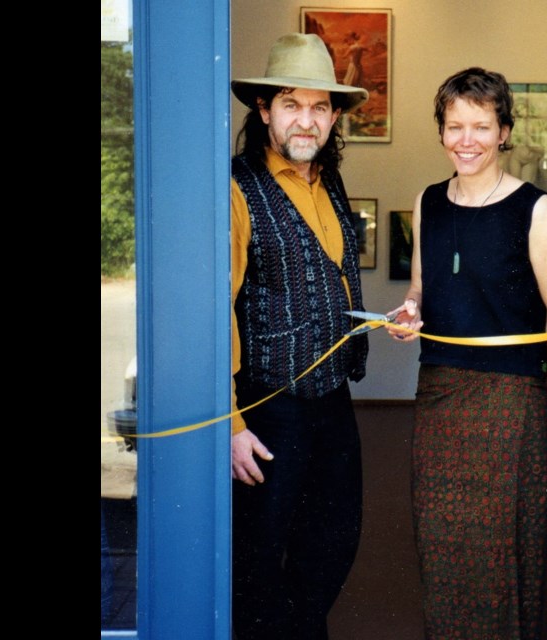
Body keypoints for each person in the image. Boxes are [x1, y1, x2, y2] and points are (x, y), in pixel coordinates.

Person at [388, 67, 547, 638]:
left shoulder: (535, 210)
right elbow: (421, 287)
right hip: (440, 397)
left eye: (480, 126)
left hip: (509, 402)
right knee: (442, 544)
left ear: (503, 132)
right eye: (454, 126)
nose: (465, 140)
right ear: (441, 131)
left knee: (498, 548)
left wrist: (546, 405)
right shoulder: (428, 202)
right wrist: (409, 313)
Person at [228, 33, 370, 639]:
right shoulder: (236, 189)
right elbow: (215, 315)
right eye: (291, 104)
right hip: (267, 408)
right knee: (258, 561)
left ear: (334, 116)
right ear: (264, 111)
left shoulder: (328, 182)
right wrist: (232, 425)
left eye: (319, 107)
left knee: (334, 540)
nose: (305, 120)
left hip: (331, 399)